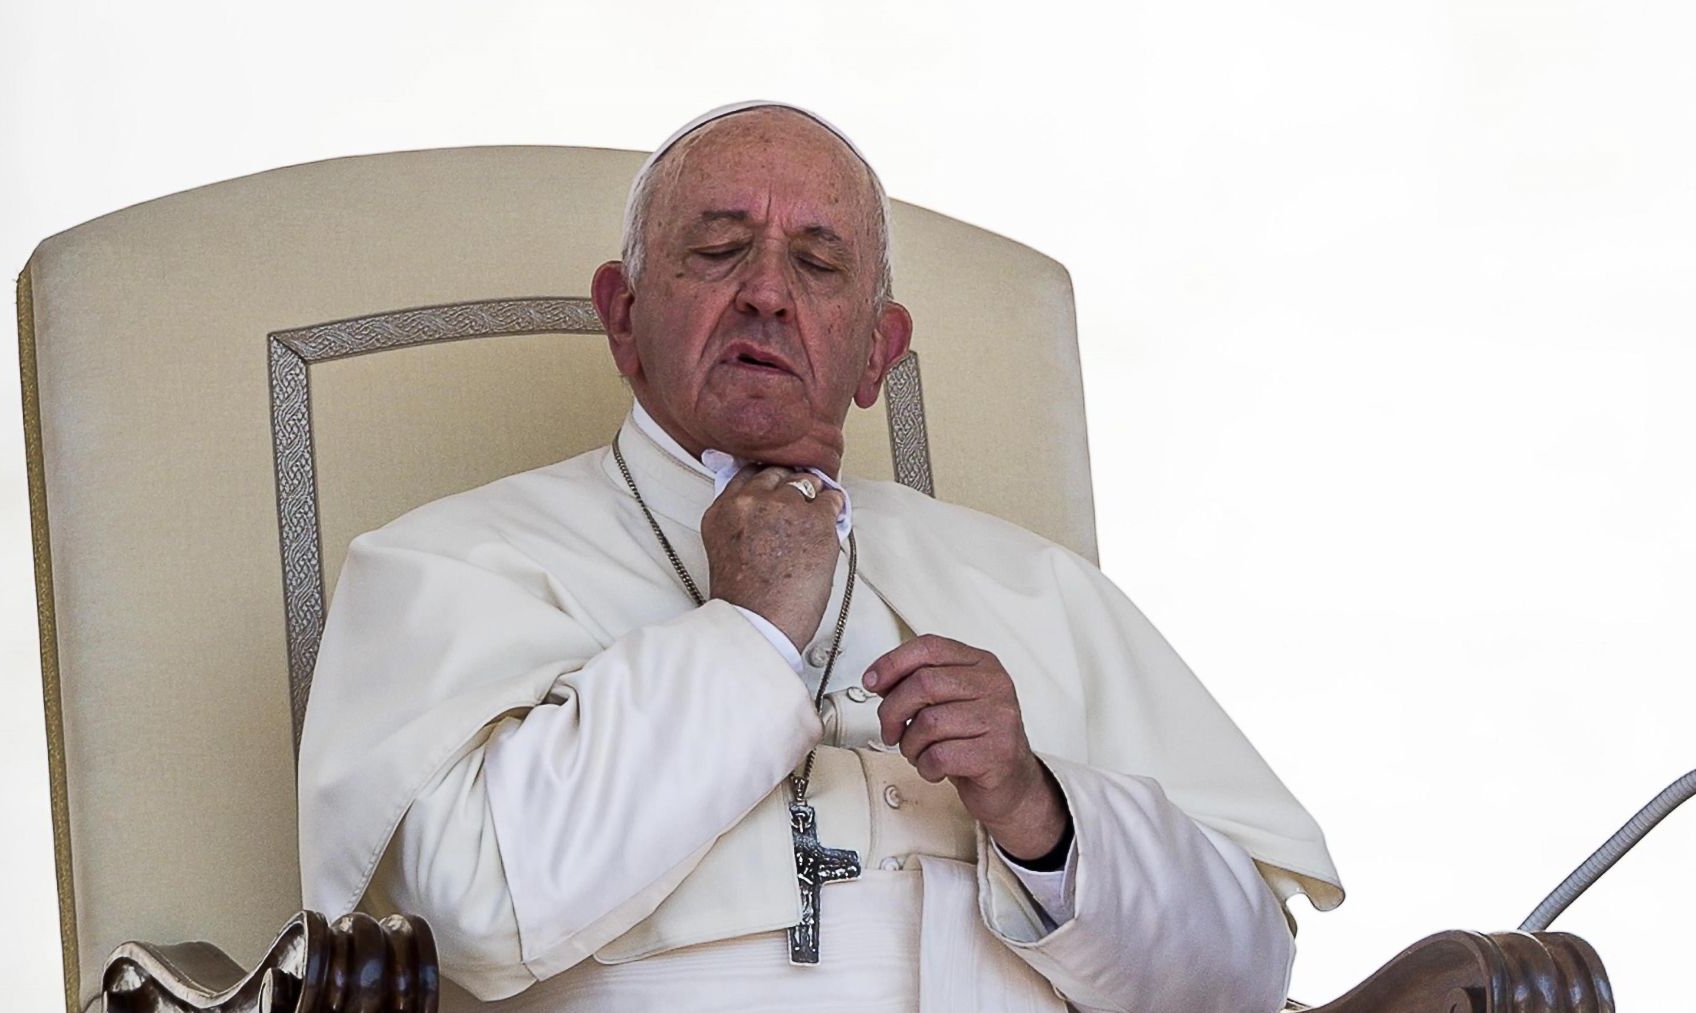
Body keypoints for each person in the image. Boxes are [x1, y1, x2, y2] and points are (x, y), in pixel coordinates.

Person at [297, 101, 1344, 1012]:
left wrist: (1038, 809)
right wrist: (747, 635)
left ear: (877, 352)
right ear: (623, 316)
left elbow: (1243, 977)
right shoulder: (449, 565)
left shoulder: (1031, 585)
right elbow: (470, 917)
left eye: (817, 260)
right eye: (717, 251)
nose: (765, 291)